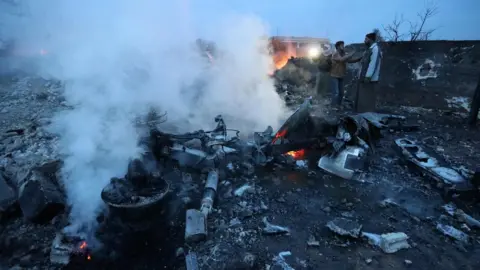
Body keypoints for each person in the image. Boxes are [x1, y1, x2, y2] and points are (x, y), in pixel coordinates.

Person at [355, 32, 382, 113]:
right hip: (363, 77)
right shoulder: (369, 49)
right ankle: (361, 113)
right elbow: (363, 63)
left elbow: (373, 64)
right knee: (362, 98)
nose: (364, 41)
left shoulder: (375, 49)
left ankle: (367, 115)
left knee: (367, 98)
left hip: (369, 79)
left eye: (366, 39)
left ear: (371, 39)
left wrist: (368, 76)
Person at [329, 41, 359, 107]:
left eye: (343, 45)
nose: (343, 46)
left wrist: (359, 58)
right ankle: (333, 107)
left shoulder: (343, 54)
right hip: (334, 76)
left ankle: (338, 105)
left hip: (341, 76)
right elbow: (341, 60)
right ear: (338, 46)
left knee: (341, 93)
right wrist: (352, 53)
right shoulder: (335, 53)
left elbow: (350, 60)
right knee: (336, 93)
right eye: (342, 45)